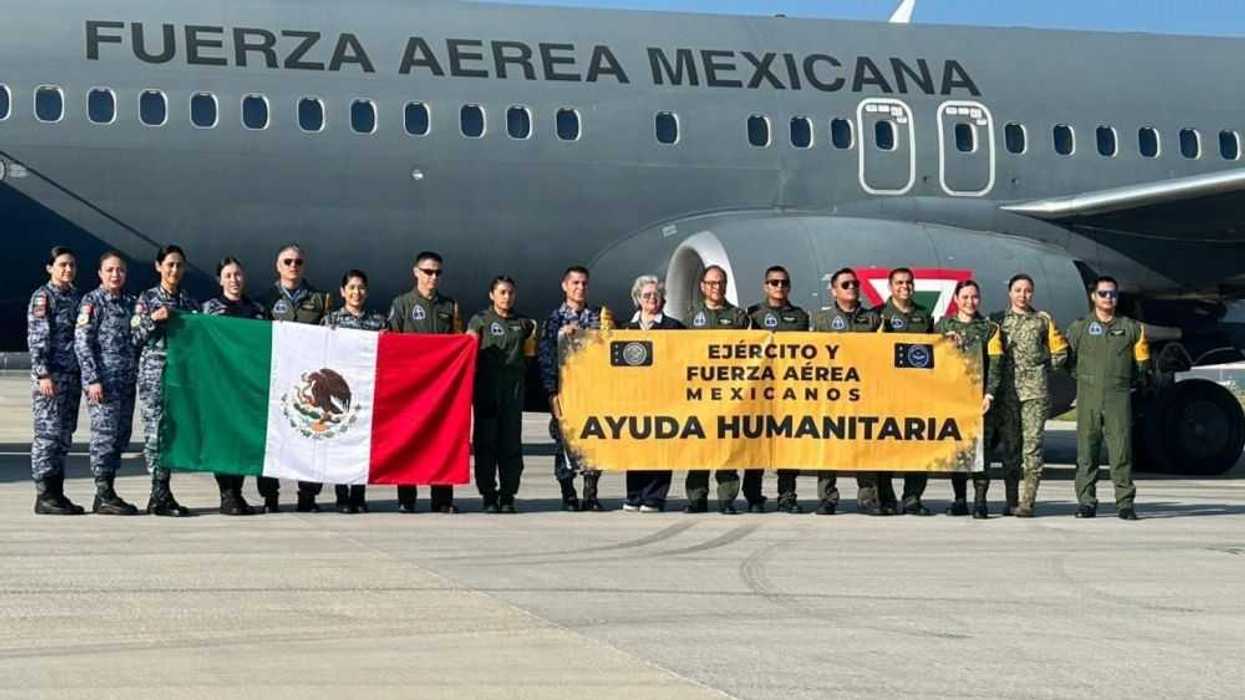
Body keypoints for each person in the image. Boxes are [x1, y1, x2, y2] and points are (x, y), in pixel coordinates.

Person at [1064, 276, 1149, 520]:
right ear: (1093, 297)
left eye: (1112, 294)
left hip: (1118, 397)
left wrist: (1123, 382)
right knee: (1086, 452)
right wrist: (1084, 378)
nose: (1108, 298)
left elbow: (1142, 366)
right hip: (1088, 396)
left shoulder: (1132, 328)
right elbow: (1066, 361)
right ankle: (1086, 502)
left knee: (1121, 451)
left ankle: (1125, 503)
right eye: (1103, 293)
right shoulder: (1079, 328)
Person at [386, 251, 463, 513]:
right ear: (416, 272)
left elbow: (458, 342)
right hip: (411, 387)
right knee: (409, 441)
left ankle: (442, 499)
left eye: (438, 273)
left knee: (442, 440)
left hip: (441, 388)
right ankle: (407, 498)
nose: (433, 277)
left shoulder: (449, 306)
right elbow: (393, 341)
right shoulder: (402, 304)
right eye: (428, 272)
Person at [263, 243, 332, 512]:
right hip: (276, 380)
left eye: (298, 262)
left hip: (308, 383)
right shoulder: (265, 299)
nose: (293, 266)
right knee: (272, 439)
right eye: (288, 261)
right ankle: (270, 497)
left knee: (311, 437)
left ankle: (308, 496)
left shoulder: (320, 300)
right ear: (277, 266)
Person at [811, 267, 884, 515]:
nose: (851, 287)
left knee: (865, 445)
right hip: (831, 394)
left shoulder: (873, 320)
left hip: (864, 394)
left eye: (854, 284)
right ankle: (827, 498)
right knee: (829, 446)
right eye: (845, 285)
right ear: (833, 291)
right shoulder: (821, 321)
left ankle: (868, 498)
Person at [539, 265, 612, 512]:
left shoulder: (599, 318)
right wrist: (551, 393)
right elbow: (546, 358)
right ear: (565, 286)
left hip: (592, 391)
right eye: (575, 283)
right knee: (564, 443)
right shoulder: (554, 320)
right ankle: (568, 493)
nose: (580, 288)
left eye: (584, 284)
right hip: (566, 391)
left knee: (594, 441)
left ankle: (591, 493)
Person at [994, 274, 1068, 517]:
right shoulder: (998, 321)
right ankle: (1010, 500)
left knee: (1032, 448)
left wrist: (1043, 369)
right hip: (1008, 393)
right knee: (1010, 448)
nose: (1022, 295)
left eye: (1027, 291)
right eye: (1018, 290)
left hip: (1035, 393)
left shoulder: (1042, 320)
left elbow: (1060, 352)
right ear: (1010, 293)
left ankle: (1027, 502)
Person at [133, 244, 198, 517]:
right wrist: (152, 320)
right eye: (170, 264)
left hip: (180, 378)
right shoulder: (147, 299)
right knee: (155, 433)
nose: (174, 270)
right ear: (159, 266)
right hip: (155, 377)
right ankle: (158, 492)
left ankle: (162, 492)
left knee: (173, 433)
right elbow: (134, 336)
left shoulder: (189, 303)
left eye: (179, 265)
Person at [73, 251, 140, 516]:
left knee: (121, 436)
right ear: (100, 273)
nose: (115, 274)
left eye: (120, 270)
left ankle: (107, 491)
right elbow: (83, 343)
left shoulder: (130, 303)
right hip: (103, 384)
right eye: (110, 270)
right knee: (104, 437)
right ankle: (103, 493)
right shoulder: (92, 302)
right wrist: (92, 380)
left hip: (126, 383)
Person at [466, 276, 537, 514]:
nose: (507, 297)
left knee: (511, 445)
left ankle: (508, 495)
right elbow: (468, 346)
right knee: (486, 445)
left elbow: (529, 355)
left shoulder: (524, 324)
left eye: (510, 293)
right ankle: (488, 495)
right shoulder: (480, 321)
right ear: (492, 295)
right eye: (502, 292)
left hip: (512, 392)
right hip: (487, 391)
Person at [201, 256, 266, 515]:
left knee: (242, 441)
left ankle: (237, 492)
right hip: (221, 386)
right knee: (223, 441)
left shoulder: (257, 310)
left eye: (237, 274)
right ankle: (226, 494)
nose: (234, 280)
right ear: (220, 280)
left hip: (247, 386)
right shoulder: (209, 309)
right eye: (228, 275)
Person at [684, 265, 751, 515]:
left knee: (727, 448)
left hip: (729, 394)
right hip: (699, 394)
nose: (716, 287)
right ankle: (696, 498)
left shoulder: (738, 317)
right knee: (699, 447)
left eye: (720, 282)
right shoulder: (691, 318)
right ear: (703, 286)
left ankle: (727, 499)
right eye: (711, 283)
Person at [935, 280, 1004, 519]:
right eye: (964, 297)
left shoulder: (989, 329)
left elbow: (996, 364)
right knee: (958, 452)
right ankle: (960, 500)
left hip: (979, 400)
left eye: (974, 297)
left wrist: (989, 394)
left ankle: (980, 502)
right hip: (953, 399)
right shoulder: (943, 326)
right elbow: (933, 357)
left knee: (981, 453)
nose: (970, 302)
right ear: (956, 299)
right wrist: (944, 341)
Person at [745, 265, 810, 513]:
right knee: (756, 445)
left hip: (789, 392)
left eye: (783, 282)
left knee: (789, 446)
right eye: (774, 282)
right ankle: (753, 497)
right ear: (765, 286)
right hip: (759, 391)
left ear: (789, 286)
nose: (779, 286)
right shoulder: (752, 315)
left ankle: (787, 496)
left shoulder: (800, 317)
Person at [322, 269, 387, 514]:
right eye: (351, 288)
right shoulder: (331, 321)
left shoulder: (378, 322)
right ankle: (342, 496)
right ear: (342, 291)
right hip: (340, 390)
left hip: (367, 391)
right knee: (340, 443)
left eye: (360, 288)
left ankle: (358, 495)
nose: (356, 292)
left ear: (366, 292)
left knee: (362, 444)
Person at [28, 246, 85, 515]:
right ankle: (44, 495)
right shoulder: (43, 297)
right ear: (50, 268)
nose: (68, 269)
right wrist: (43, 374)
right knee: (47, 436)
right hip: (50, 379)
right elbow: (37, 338)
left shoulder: (76, 297)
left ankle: (57, 492)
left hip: (71, 378)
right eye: (62, 265)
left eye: (71, 265)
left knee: (63, 436)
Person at [621, 275, 684, 513]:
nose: (651, 299)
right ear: (637, 298)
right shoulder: (625, 329)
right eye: (646, 295)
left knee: (660, 447)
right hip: (634, 398)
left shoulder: (674, 327)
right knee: (635, 446)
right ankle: (634, 495)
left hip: (664, 397)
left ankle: (654, 497)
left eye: (656, 295)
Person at [877, 267, 936, 515]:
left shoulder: (924, 315)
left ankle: (912, 498)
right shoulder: (878, 315)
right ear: (890, 287)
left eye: (909, 282)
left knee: (918, 446)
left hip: (918, 393)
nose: (905, 286)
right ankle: (887, 499)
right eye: (899, 282)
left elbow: (937, 349)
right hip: (887, 394)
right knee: (885, 447)